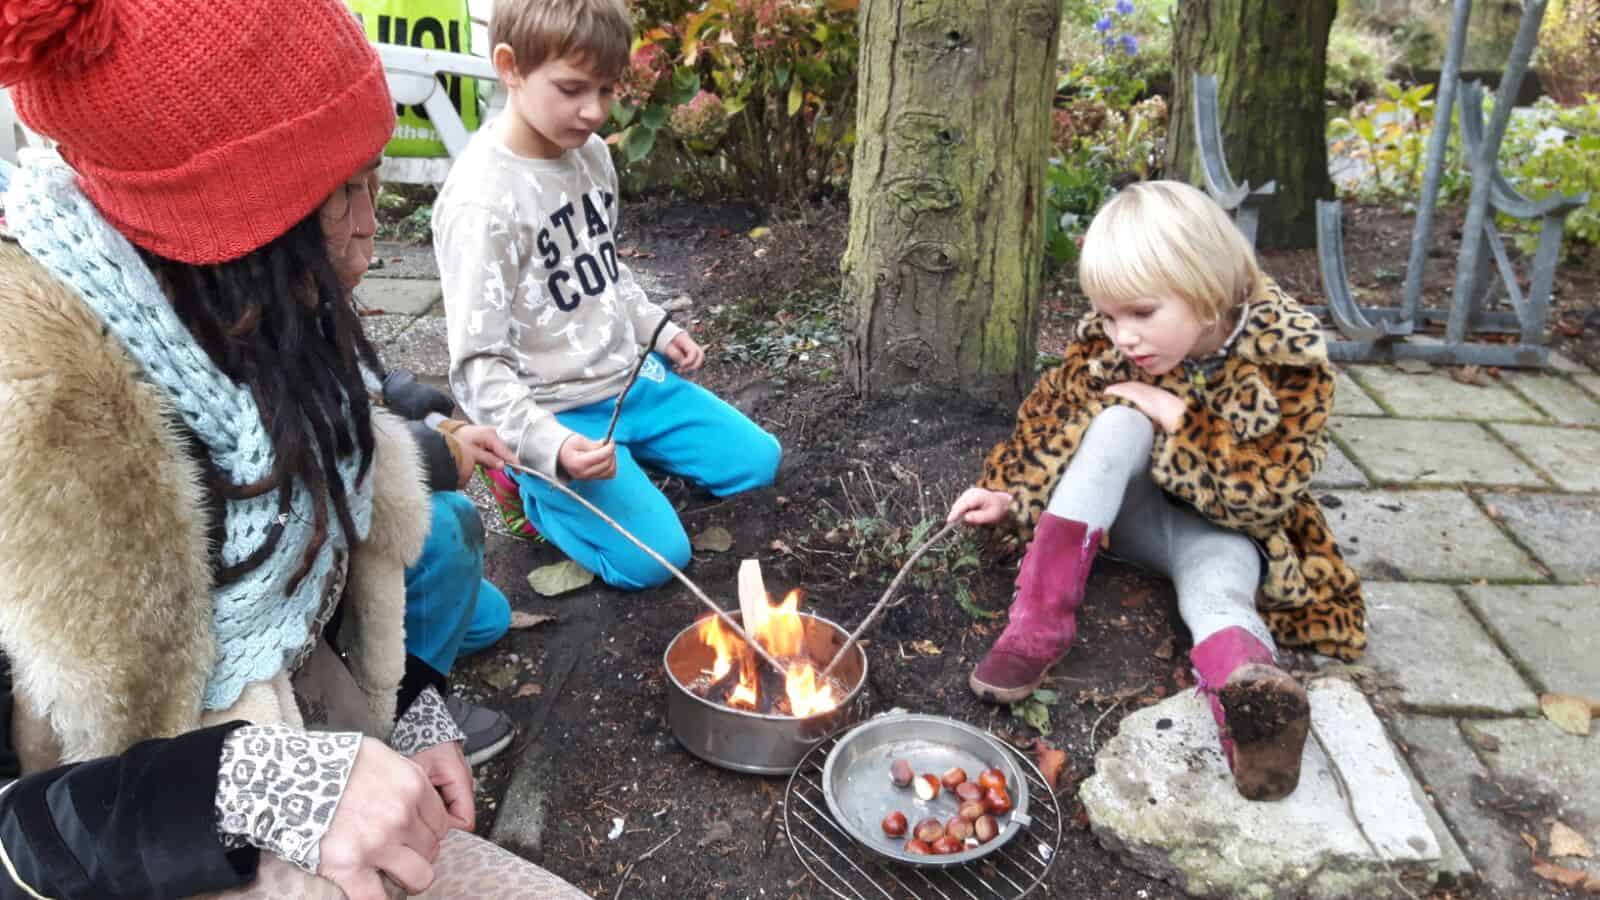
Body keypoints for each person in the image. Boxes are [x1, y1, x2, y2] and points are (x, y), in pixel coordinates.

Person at [0, 1, 584, 897]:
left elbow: (317, 590)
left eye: (372, 179)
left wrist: (410, 709)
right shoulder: (33, 423)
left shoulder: (273, 321)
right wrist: (247, 786)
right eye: (335, 197)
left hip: (320, 751)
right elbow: (22, 827)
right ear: (215, 228)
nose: (369, 229)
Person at [947, 181, 1366, 802]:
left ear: (1208, 293)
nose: (1124, 338)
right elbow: (1050, 416)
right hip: (1123, 520)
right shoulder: (1108, 344)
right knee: (1115, 420)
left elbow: (1266, 494)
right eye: (1111, 317)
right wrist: (1008, 490)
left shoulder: (1285, 358)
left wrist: (1176, 413)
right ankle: (1038, 621)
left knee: (1219, 585)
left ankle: (1250, 705)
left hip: (1225, 531)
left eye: (1142, 314)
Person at [434, 0, 781, 590]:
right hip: (556, 409)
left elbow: (602, 266)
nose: (593, 112)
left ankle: (621, 469)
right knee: (655, 561)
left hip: (631, 382)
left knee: (757, 463)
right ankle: (530, 488)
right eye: (571, 89)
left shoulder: (590, 154)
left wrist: (656, 329)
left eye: (606, 90)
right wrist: (553, 444)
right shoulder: (481, 204)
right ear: (510, 66)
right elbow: (477, 368)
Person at [327, 167, 517, 766]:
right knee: (452, 520)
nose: (370, 222)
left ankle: (379, 648)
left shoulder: (322, 295)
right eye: (344, 199)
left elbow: (365, 380)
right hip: (315, 561)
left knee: (488, 619)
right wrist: (435, 455)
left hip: (346, 543)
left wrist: (436, 418)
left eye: (370, 192)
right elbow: (330, 450)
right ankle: (408, 708)